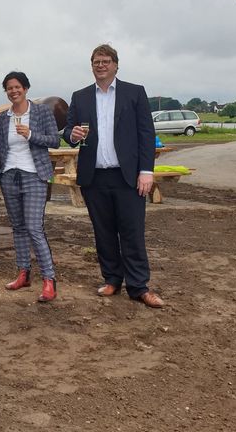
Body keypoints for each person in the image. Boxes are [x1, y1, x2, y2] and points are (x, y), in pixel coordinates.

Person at [64, 44, 164, 308]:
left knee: (132, 232)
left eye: (106, 61)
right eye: (96, 62)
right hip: (94, 177)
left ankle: (139, 286)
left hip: (128, 176)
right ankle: (112, 279)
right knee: (104, 232)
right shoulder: (80, 96)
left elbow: (146, 134)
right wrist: (72, 135)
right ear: (92, 66)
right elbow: (69, 132)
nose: (101, 65)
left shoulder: (134, 92)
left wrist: (146, 171)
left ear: (116, 65)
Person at [0, 72, 60, 302]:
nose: (14, 91)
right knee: (18, 227)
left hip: (34, 175)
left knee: (34, 228)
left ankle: (49, 280)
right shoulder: (4, 117)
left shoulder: (41, 112)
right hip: (9, 176)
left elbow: (55, 141)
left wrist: (31, 135)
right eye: (9, 88)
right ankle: (23, 273)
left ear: (26, 88)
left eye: (17, 87)